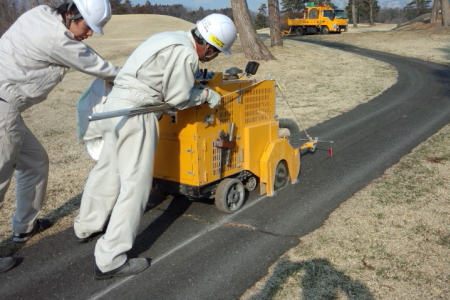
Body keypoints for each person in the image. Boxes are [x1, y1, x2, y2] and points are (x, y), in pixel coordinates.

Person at [74, 13, 237, 280]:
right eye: (216, 51)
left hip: (113, 105)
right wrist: (207, 94)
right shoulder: (186, 54)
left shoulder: (168, 37)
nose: (213, 57)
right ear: (208, 46)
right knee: (135, 186)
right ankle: (110, 259)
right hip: (136, 113)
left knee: (107, 169)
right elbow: (178, 98)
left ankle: (85, 226)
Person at [0, 0, 120, 244]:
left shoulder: (41, 13)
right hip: (2, 106)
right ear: (70, 14)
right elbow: (97, 65)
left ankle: (24, 227)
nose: (88, 34)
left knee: (35, 161)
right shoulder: (57, 38)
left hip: (7, 106)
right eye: (87, 27)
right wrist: (125, 77)